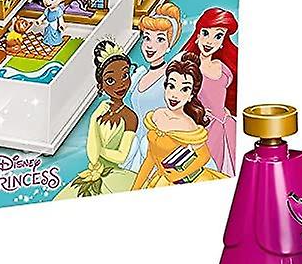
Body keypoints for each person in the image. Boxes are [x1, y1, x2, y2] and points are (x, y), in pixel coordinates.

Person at [59, 42, 139, 198]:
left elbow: (121, 156)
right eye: (110, 80)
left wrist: (99, 149)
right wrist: (94, 119)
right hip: (93, 173)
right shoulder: (99, 114)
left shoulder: (130, 117)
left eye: (125, 75)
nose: (120, 84)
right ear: (101, 86)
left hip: (114, 175)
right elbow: (92, 156)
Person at [132, 53, 218, 188]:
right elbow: (150, 159)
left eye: (184, 89)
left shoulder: (188, 125)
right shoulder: (156, 116)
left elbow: (204, 156)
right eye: (171, 86)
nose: (175, 95)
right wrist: (135, 188)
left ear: (191, 95)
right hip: (161, 180)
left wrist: (176, 175)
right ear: (165, 87)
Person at [179, 7, 239, 175]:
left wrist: (226, 113)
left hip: (228, 125)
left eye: (218, 36)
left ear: (223, 42)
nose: (209, 41)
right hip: (202, 127)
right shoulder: (189, 69)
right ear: (197, 35)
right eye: (205, 33)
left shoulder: (224, 69)